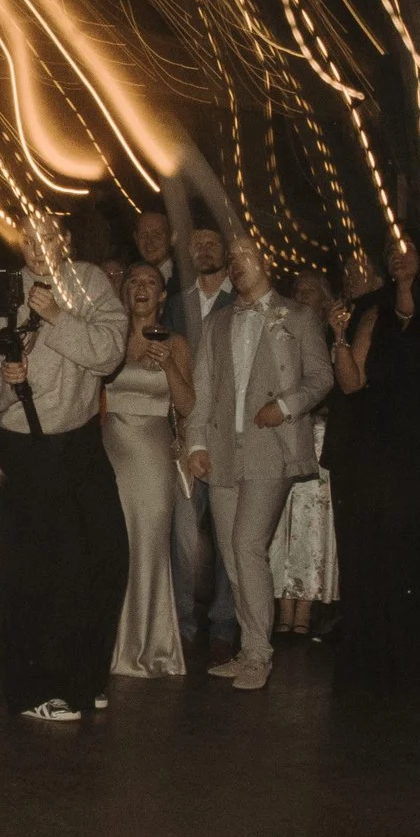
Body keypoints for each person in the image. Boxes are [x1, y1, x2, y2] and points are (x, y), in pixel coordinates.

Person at [0, 232, 129, 721]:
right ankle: (36, 688)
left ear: (62, 236)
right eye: (26, 232)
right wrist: (6, 382)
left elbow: (109, 352)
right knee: (38, 569)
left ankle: (84, 675)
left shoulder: (90, 281)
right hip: (27, 446)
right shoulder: (3, 288)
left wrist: (58, 317)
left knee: (106, 555)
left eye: (46, 232)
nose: (37, 244)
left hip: (79, 441)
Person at [184, 236, 334, 691]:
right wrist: (195, 444)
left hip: (272, 445)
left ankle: (259, 655)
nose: (235, 264)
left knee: (247, 543)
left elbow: (321, 377)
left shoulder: (300, 315)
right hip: (225, 446)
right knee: (232, 550)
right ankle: (249, 647)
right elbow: (204, 389)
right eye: (232, 259)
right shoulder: (219, 322)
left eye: (244, 256)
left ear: (266, 261)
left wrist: (286, 406)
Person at [325, 235, 420, 691]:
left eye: (408, 250)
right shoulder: (370, 311)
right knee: (372, 543)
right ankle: (372, 650)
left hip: (417, 440)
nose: (400, 257)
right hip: (374, 442)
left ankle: (415, 653)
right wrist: (339, 336)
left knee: (412, 540)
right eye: (392, 251)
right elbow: (352, 382)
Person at [106, 262, 192, 678]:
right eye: (134, 280)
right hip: (108, 451)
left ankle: (148, 647)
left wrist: (170, 367)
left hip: (154, 453)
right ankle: (107, 645)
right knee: (110, 547)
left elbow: (189, 406)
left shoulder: (175, 342)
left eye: (151, 283)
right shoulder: (109, 338)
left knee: (148, 547)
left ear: (162, 295)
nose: (141, 287)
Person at [167, 219, 238, 661]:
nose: (205, 250)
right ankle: (183, 623)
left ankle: (226, 624)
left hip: (231, 435)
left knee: (232, 536)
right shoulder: (175, 305)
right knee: (185, 536)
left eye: (213, 243)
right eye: (198, 245)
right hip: (188, 432)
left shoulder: (243, 300)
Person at [268, 271, 340, 638]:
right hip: (285, 433)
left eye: (310, 292)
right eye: (296, 291)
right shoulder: (282, 334)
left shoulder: (333, 336)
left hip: (321, 436)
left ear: (326, 301)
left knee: (313, 524)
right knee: (281, 519)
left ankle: (305, 609)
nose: (301, 297)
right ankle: (282, 607)